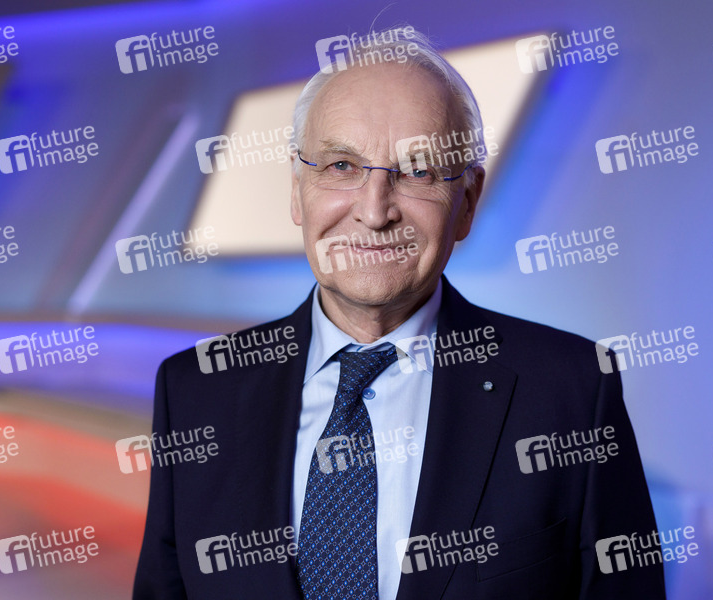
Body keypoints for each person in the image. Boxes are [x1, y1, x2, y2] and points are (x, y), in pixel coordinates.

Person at [133, 26, 665, 600]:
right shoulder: (194, 392)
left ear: (467, 202)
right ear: (297, 188)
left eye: (418, 171)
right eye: (341, 165)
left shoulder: (571, 390)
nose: (375, 211)